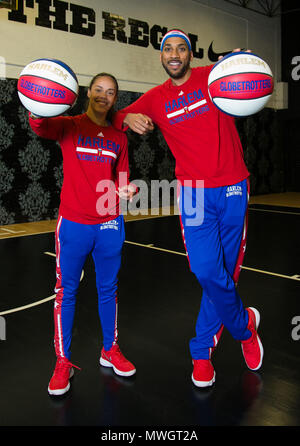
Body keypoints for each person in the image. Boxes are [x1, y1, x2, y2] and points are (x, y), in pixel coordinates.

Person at [112, 29, 264, 388]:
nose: (175, 53)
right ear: (161, 57)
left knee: (226, 270)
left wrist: (244, 60)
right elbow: (109, 116)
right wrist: (125, 119)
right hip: (193, 192)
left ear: (190, 54)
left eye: (181, 48)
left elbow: (240, 68)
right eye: (168, 49)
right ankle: (244, 328)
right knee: (206, 270)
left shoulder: (212, 77)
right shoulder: (153, 99)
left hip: (231, 187)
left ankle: (200, 352)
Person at [29, 73, 137, 396]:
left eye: (111, 92)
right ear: (89, 92)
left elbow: (120, 179)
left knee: (109, 289)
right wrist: (36, 105)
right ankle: (63, 362)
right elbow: (38, 125)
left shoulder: (119, 137)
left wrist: (125, 190)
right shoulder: (69, 125)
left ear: (116, 98)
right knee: (67, 292)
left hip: (109, 224)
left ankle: (109, 349)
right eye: (99, 90)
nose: (104, 96)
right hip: (74, 224)